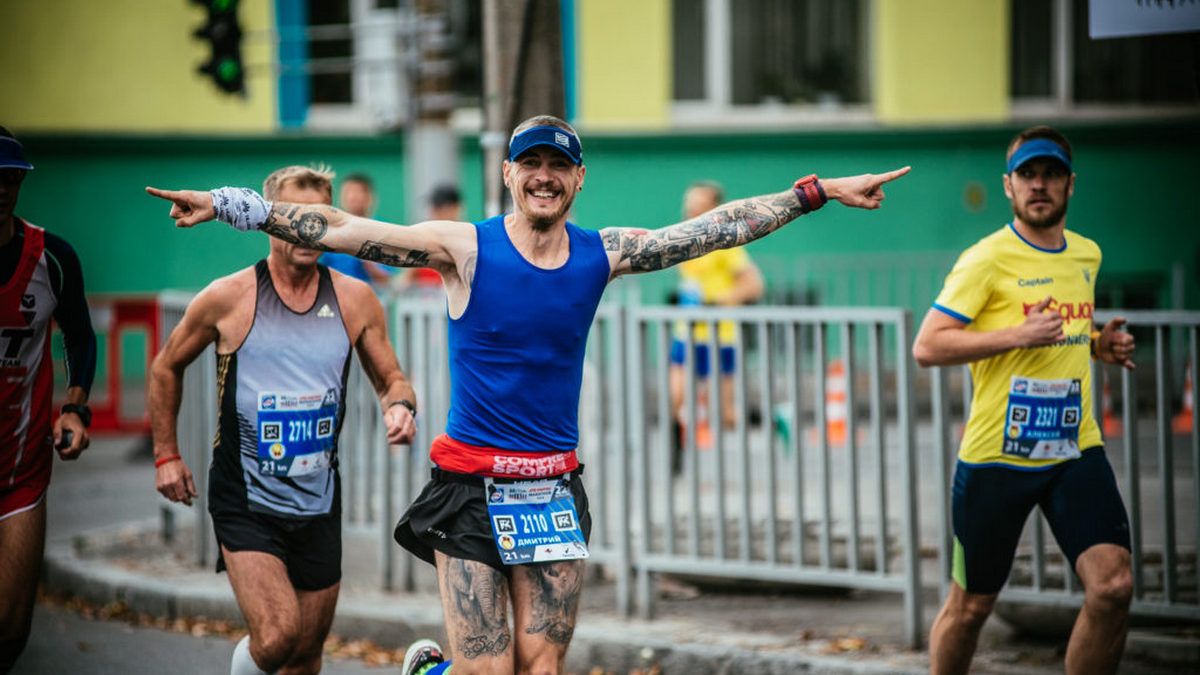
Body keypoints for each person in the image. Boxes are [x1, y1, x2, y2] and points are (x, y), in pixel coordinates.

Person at [146, 115, 909, 675]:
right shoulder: (463, 247)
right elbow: (344, 229)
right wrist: (234, 204)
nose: (543, 175)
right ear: (508, 174)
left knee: (539, 672)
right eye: (529, 163)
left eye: (558, 165)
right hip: (470, 489)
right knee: (492, 672)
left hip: (551, 487)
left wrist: (815, 191)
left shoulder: (602, 253)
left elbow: (710, 231)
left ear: (578, 180)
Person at [148, 166, 417, 675]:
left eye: (317, 218)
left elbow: (392, 379)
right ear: (269, 222)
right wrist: (167, 455)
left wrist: (400, 406)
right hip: (245, 498)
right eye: (292, 217)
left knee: (306, 656)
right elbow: (166, 366)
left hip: (318, 500)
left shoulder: (354, 298)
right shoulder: (230, 296)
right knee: (276, 638)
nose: (305, 229)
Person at [912, 125, 1135, 675]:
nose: (1040, 185)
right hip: (996, 459)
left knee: (1113, 587)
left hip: (1073, 450)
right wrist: (1016, 336)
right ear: (1008, 186)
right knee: (971, 608)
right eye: (1028, 175)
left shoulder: (1087, 255)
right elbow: (928, 346)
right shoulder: (985, 259)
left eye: (1051, 174)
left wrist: (1099, 345)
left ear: (1070, 185)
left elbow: (1064, 332)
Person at [0, 127, 97, 671]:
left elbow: (79, 338)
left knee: (12, 630)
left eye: (9, 177)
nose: (0, 188)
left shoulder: (52, 257)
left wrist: (75, 407)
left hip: (20, 470)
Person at [668, 180, 764, 461]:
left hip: (719, 335)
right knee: (675, 397)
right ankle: (677, 455)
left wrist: (718, 302)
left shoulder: (727, 244)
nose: (690, 211)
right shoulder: (684, 240)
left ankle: (772, 420)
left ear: (713, 208)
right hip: (686, 333)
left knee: (724, 413)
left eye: (697, 205)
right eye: (688, 205)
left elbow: (754, 285)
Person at [318, 173, 394, 287]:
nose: (353, 197)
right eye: (348, 192)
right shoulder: (331, 230)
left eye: (358, 192)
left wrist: (366, 259)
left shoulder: (382, 231)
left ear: (369, 197)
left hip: (372, 295)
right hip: (336, 295)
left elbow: (387, 279)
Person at [400, 184, 462, 292]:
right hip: (427, 304)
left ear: (455, 208)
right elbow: (404, 281)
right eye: (433, 208)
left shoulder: (466, 240)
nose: (433, 213)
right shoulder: (423, 240)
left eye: (438, 208)